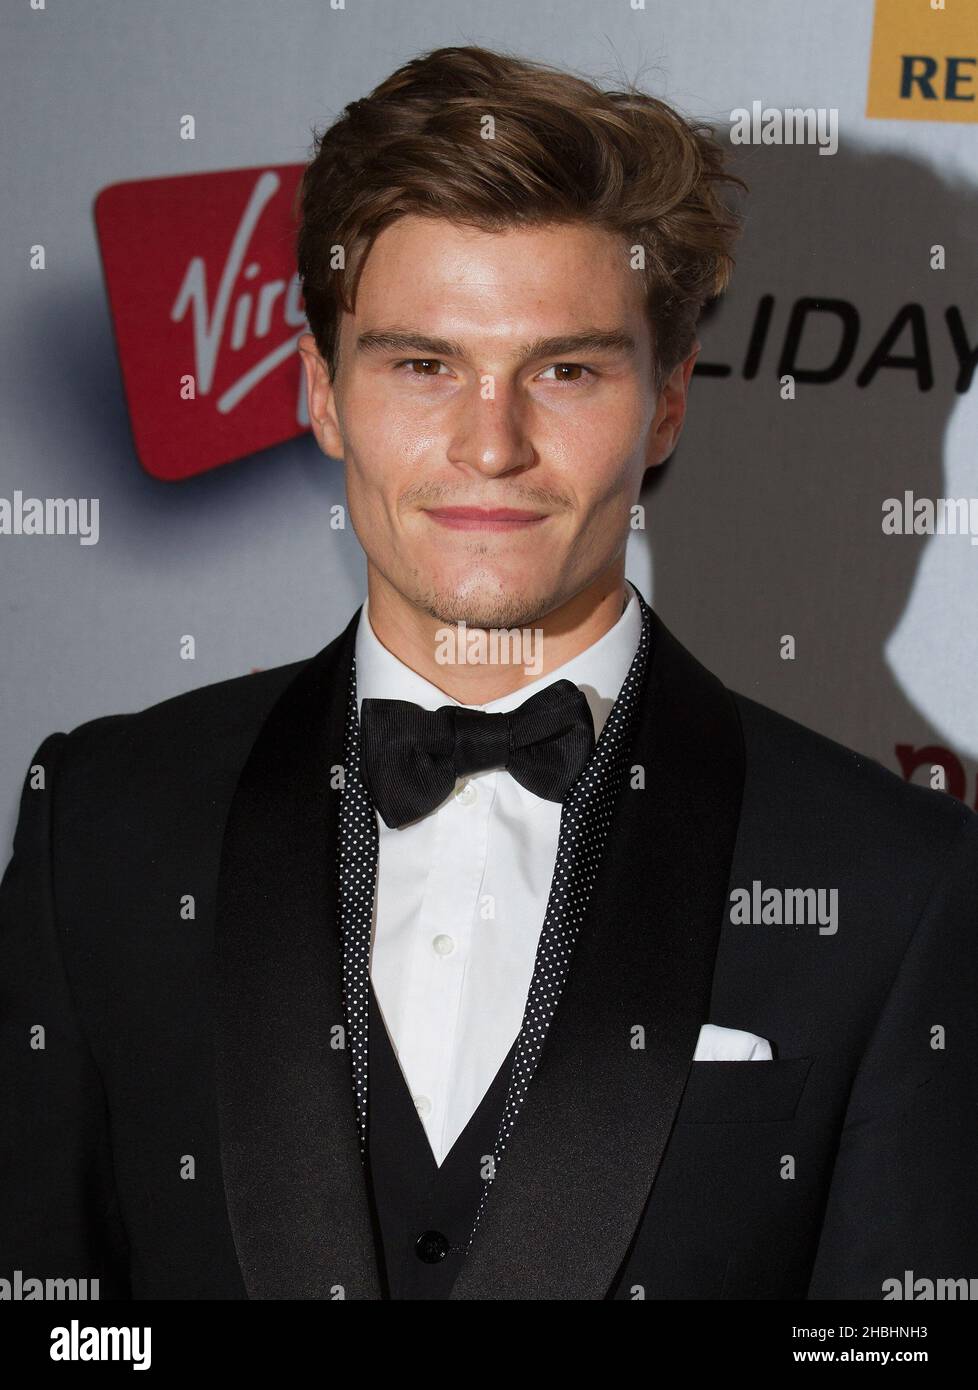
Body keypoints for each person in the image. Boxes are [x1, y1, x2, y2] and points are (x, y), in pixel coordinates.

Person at [1, 44, 976, 1302]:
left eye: (566, 370)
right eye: (423, 364)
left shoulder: (894, 883)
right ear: (323, 392)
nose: (491, 443)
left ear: (669, 400)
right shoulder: (102, 825)